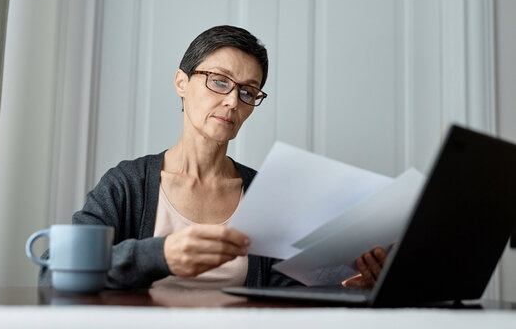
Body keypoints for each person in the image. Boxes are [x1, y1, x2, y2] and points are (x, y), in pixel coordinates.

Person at [39, 25, 387, 289]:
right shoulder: (129, 184)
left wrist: (348, 289)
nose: (233, 102)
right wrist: (160, 256)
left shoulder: (265, 192)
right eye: (219, 81)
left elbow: (284, 295)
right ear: (181, 82)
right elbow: (51, 271)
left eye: (248, 91)